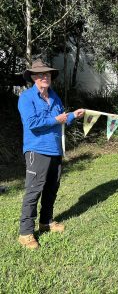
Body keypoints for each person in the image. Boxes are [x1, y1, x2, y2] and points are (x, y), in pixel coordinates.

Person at [18, 59, 85, 249]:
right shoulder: (26, 97)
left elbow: (60, 119)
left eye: (47, 74)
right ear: (33, 77)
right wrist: (56, 119)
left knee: (51, 189)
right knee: (34, 191)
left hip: (55, 150)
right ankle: (25, 233)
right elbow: (31, 123)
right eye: (40, 74)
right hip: (36, 150)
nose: (44, 77)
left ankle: (46, 222)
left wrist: (72, 116)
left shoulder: (54, 96)